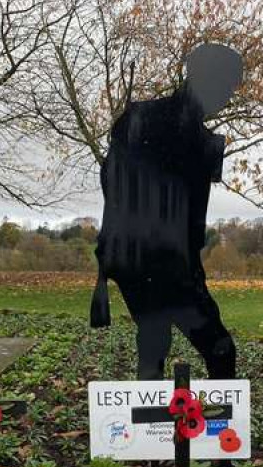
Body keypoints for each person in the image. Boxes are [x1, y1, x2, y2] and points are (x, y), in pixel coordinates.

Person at [90, 44, 241, 381]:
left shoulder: (141, 119)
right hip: (164, 264)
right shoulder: (182, 135)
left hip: (132, 260)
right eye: (228, 87)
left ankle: (155, 427)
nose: (228, 98)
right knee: (220, 349)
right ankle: (218, 430)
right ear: (208, 80)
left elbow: (108, 180)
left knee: (154, 343)